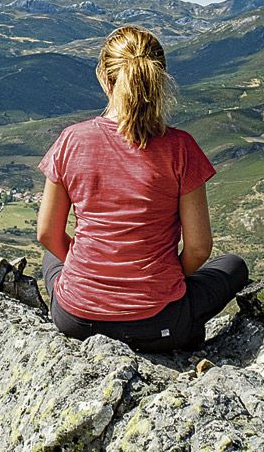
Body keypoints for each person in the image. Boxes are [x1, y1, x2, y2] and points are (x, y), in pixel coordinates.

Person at [36, 25, 249, 353]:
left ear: (106, 81)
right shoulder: (181, 148)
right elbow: (198, 249)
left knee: (52, 258)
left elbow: (48, 234)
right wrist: (158, 283)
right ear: (158, 79)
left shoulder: (71, 140)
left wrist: (84, 272)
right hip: (159, 322)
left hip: (77, 320)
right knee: (234, 266)